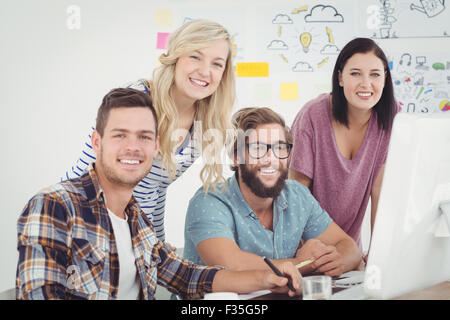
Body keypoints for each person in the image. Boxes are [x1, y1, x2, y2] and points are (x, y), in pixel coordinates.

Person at [16, 88, 301, 300]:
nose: (133, 147)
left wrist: (266, 277)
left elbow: (188, 277)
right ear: (97, 142)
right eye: (120, 135)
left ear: (156, 148)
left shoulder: (139, 221)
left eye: (144, 137)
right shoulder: (53, 205)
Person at [64, 19, 236, 242]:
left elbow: (155, 190)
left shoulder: (206, 121)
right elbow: (87, 171)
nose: (205, 71)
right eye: (195, 56)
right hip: (86, 226)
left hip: (137, 236)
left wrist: (156, 245)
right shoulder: (137, 99)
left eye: (217, 64)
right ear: (176, 57)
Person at [183, 107, 361, 277]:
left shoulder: (297, 196)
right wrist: (303, 264)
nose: (271, 159)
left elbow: (349, 248)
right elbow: (230, 265)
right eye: (258, 148)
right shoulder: (209, 202)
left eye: (280, 147)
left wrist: (335, 261)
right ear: (236, 157)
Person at [288, 38, 398, 255]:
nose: (366, 84)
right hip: (305, 248)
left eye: (375, 74)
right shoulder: (312, 115)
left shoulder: (391, 117)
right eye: (355, 73)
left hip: (349, 252)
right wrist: (304, 251)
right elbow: (297, 190)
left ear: (385, 78)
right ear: (340, 77)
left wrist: (377, 256)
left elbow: (379, 191)